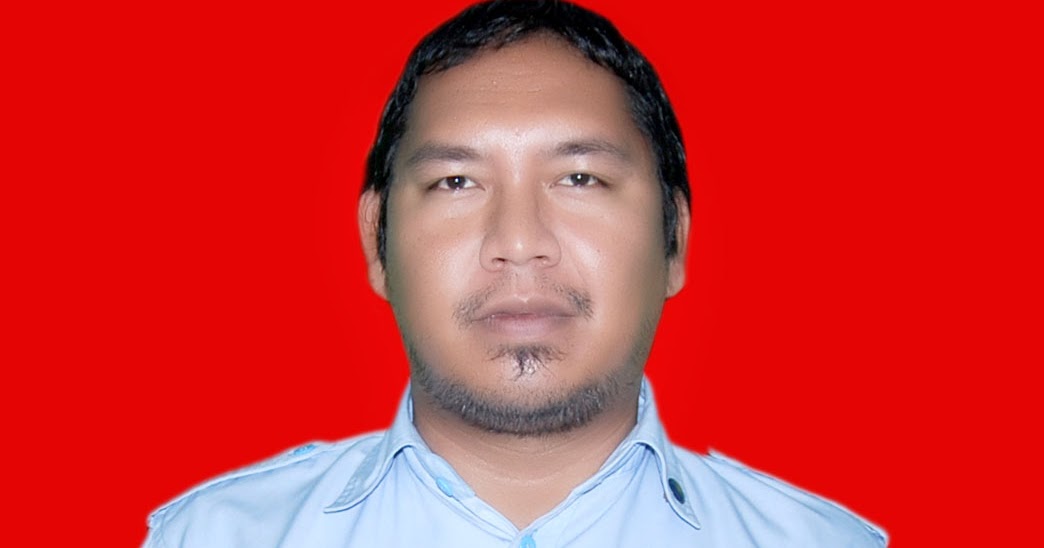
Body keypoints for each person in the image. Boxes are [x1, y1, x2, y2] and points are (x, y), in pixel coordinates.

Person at [144, 1, 887, 546]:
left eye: (580, 178)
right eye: (457, 183)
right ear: (376, 239)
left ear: (675, 240)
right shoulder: (212, 538)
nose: (520, 242)